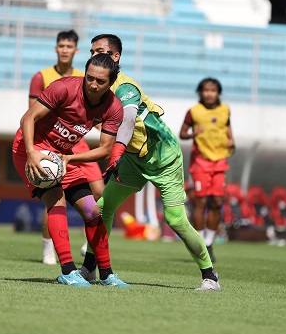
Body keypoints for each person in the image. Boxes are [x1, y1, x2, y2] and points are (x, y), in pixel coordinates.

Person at [80, 34, 220, 291]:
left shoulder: (125, 88)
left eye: (100, 51)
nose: (93, 57)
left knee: (175, 219)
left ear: (115, 57)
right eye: (91, 52)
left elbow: (129, 120)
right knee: (102, 208)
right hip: (133, 160)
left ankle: (210, 275)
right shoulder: (94, 85)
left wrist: (115, 152)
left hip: (163, 157)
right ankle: (89, 268)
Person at [12, 53, 129, 287]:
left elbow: (106, 149)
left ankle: (106, 274)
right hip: (31, 150)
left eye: (100, 81)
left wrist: (70, 158)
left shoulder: (114, 107)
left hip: (63, 156)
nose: (93, 84)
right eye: (90, 78)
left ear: (111, 82)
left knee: (92, 211)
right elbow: (28, 118)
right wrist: (32, 152)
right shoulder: (63, 88)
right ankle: (67, 270)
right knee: (56, 201)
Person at [28, 29, 103, 265]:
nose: (65, 50)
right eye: (61, 45)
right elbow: (32, 113)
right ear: (56, 48)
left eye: (69, 46)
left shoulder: (86, 77)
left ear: (76, 50)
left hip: (77, 144)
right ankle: (48, 247)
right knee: (53, 192)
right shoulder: (42, 76)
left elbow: (95, 115)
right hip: (50, 143)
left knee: (99, 192)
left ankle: (87, 246)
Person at [179, 77, 234, 262]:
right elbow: (182, 133)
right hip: (200, 162)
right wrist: (193, 133)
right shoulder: (193, 112)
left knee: (218, 202)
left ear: (218, 93)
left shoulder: (225, 110)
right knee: (201, 203)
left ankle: (209, 242)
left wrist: (231, 141)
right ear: (200, 92)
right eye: (206, 90)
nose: (209, 93)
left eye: (213, 90)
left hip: (219, 162)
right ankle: (200, 241)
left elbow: (227, 129)